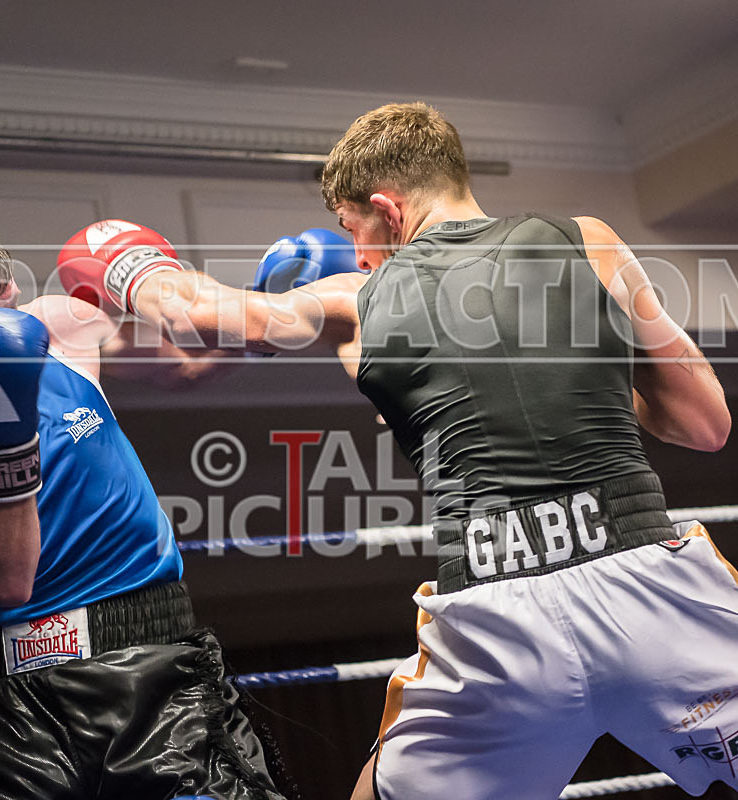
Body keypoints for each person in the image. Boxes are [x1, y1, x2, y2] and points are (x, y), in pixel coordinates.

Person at [58, 103, 738, 800]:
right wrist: (576, 369)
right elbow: (705, 423)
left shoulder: (359, 299)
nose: (354, 252)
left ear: (388, 207)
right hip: (653, 585)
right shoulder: (589, 241)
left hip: (498, 623)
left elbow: (190, 321)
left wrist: (126, 263)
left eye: (355, 229)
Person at [0, 206, 287, 800]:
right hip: (8, 705)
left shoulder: (60, 326)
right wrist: (2, 430)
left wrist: (268, 307)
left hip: (147, 666)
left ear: (7, 293)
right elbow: (2, 578)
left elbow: (187, 365)